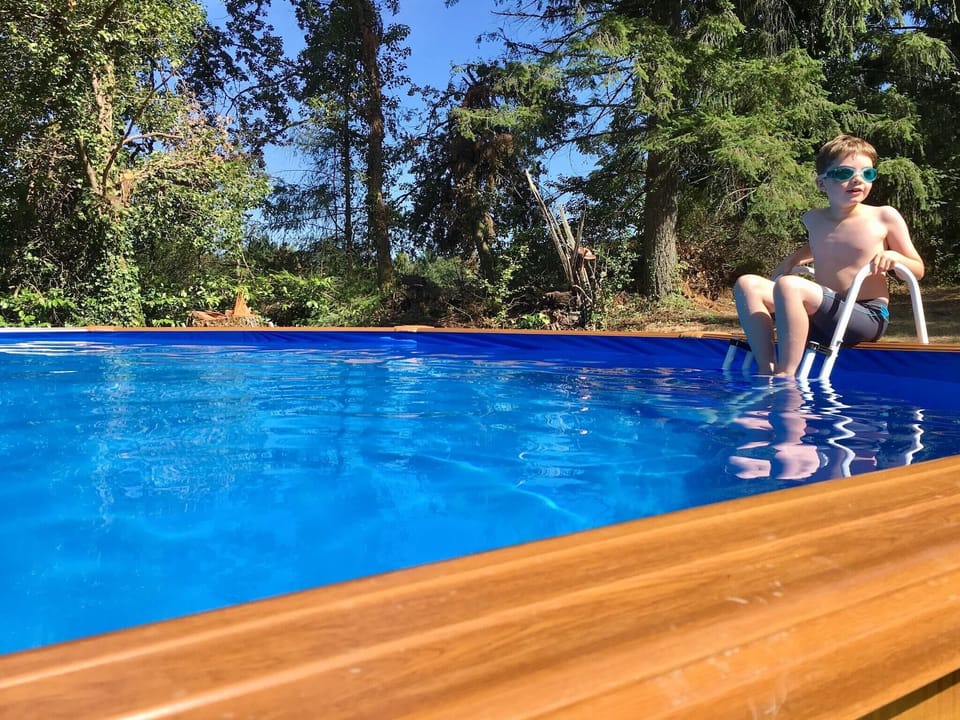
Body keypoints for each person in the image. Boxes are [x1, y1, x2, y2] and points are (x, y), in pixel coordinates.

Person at [733, 134, 925, 376]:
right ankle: (766, 369)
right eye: (845, 173)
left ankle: (786, 375)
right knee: (748, 284)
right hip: (824, 315)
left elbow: (917, 269)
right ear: (822, 183)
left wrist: (896, 258)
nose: (858, 180)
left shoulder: (883, 216)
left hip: (866, 316)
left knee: (790, 286)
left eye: (867, 174)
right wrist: (793, 259)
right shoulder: (814, 219)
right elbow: (824, 243)